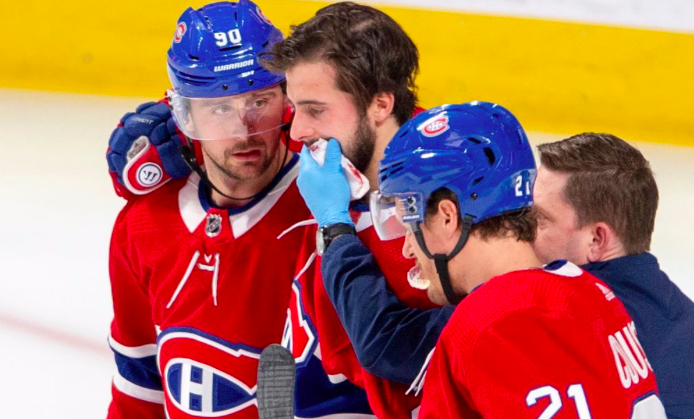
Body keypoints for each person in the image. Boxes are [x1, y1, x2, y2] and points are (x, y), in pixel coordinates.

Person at [301, 101, 666, 417]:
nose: (409, 249)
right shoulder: (597, 297)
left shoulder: (484, 324)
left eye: (410, 223)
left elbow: (385, 344)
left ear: (447, 216)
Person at [105, 2, 371, 418]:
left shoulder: (334, 202)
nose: (243, 130)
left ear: (288, 97)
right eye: (219, 108)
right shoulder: (143, 224)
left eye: (259, 101)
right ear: (183, 114)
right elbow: (139, 386)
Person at [533, 132, 694, 419]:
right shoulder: (682, 316)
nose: (524, 234)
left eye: (539, 219)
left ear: (596, 240)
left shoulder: (560, 330)